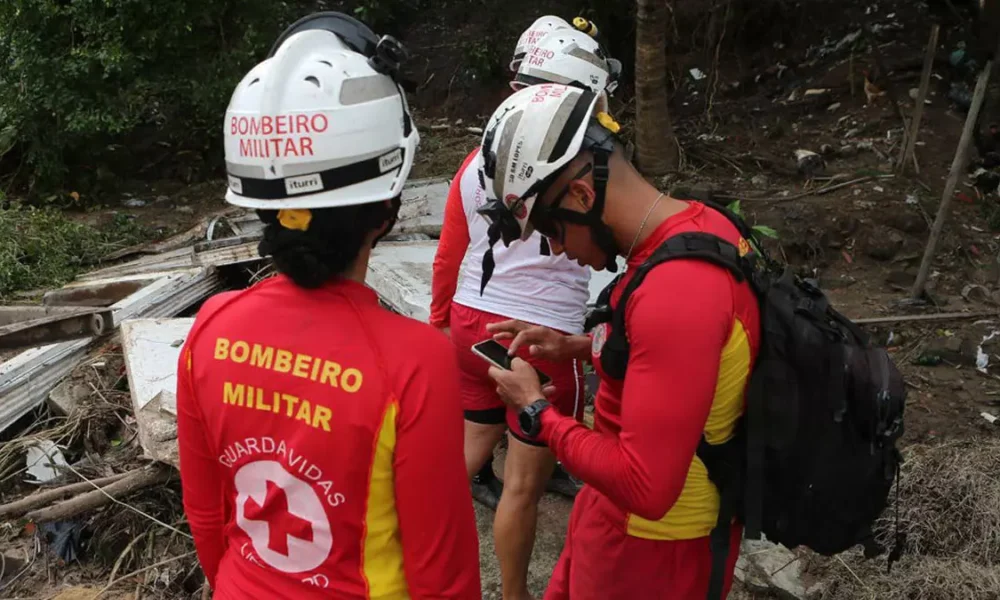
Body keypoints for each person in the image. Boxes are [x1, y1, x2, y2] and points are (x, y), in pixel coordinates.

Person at [176, 13, 480, 600]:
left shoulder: (211, 327)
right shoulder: (415, 363)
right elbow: (442, 574)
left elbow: (208, 518)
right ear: (387, 210)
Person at [476, 83, 762, 599]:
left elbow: (646, 487)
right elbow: (681, 360)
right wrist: (576, 346)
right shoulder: (698, 225)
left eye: (551, 229)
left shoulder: (678, 291)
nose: (556, 249)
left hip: (650, 551)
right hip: (612, 517)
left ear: (582, 196)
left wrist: (537, 411)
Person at [429, 20, 618, 600]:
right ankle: (513, 595)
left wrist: (439, 326)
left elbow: (448, 254)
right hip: (543, 336)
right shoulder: (590, 164)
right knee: (520, 489)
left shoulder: (475, 160)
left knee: (465, 454)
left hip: (471, 322)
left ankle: (409, 558)